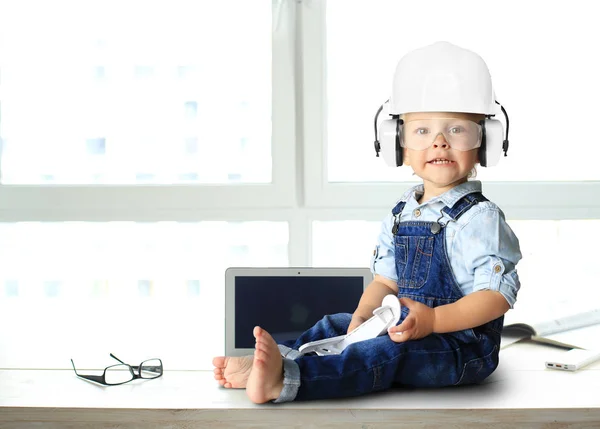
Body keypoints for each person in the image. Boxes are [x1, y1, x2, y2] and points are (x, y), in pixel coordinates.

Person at [213, 41, 522, 404]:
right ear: (398, 144)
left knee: (386, 354)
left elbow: (496, 297)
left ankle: (289, 381)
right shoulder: (402, 210)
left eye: (457, 130)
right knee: (335, 324)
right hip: (409, 324)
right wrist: (362, 317)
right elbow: (384, 281)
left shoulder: (480, 218)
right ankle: (285, 360)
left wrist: (433, 322)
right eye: (422, 131)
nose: (439, 143)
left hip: (460, 346)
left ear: (485, 143)